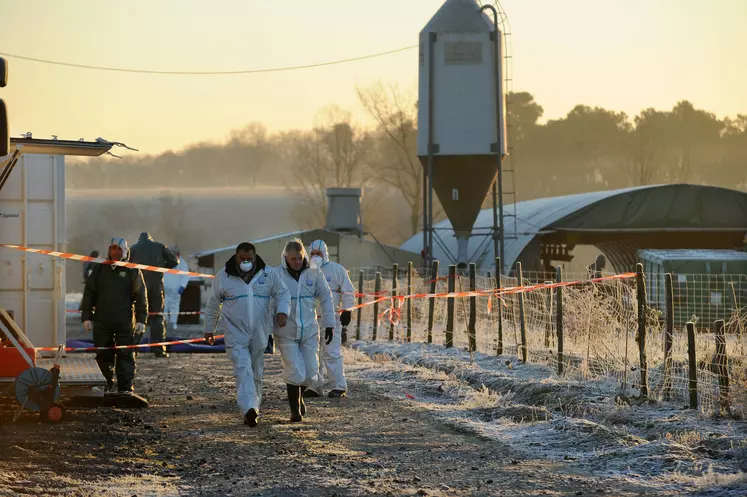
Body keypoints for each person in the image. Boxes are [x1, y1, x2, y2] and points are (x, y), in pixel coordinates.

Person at [203, 242, 290, 426]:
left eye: (249, 259)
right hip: (235, 333)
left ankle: (254, 407)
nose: (245, 262)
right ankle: (248, 408)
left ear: (254, 256)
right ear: (236, 257)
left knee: (256, 371)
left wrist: (282, 311)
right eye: (242, 259)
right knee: (243, 368)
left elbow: (282, 292)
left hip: (259, 332)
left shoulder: (267, 274)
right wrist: (209, 328)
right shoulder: (224, 277)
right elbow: (213, 304)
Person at [272, 239, 336, 422]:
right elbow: (268, 304)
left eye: (300, 258)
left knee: (310, 373)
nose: (297, 262)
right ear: (285, 258)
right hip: (286, 332)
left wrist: (329, 324)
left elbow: (325, 297)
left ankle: (300, 396)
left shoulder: (314, 273)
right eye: (293, 259)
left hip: (308, 330)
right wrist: (269, 329)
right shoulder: (277, 275)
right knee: (295, 371)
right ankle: (294, 410)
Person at [80, 237, 147, 394]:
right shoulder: (100, 269)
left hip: (124, 321)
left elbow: (141, 296)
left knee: (125, 354)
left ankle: (125, 387)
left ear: (125, 251)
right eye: (113, 248)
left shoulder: (132, 270)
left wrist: (141, 320)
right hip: (102, 320)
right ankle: (104, 384)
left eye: (119, 249)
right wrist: (87, 317)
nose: (116, 252)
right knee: (103, 354)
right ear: (109, 250)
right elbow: (89, 293)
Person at [304, 239, 354, 399]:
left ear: (325, 254)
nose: (315, 256)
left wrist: (347, 310)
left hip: (331, 319)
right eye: (312, 254)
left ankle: (339, 386)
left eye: (318, 254)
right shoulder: (306, 271)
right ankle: (314, 386)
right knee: (312, 352)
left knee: (332, 352)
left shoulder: (337, 269)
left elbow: (348, 291)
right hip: (310, 319)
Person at [129, 232, 179, 357]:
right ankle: (158, 349)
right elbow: (175, 261)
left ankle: (132, 348)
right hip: (157, 287)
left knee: (137, 316)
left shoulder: (133, 249)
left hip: (138, 286)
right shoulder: (160, 246)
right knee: (157, 316)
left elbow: (126, 265)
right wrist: (162, 266)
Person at [163, 245, 190, 332]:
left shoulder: (182, 263)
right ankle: (165, 322)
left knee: (174, 306)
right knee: (164, 306)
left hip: (176, 289)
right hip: (165, 288)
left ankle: (173, 323)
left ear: (178, 254)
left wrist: (182, 286)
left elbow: (185, 275)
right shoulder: (165, 261)